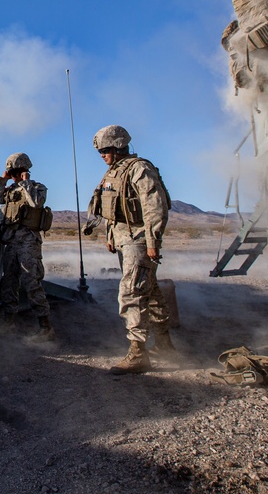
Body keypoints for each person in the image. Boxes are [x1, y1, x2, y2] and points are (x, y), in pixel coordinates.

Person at [88, 125, 172, 374]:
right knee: (151, 293)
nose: (102, 155)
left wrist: (153, 242)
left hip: (139, 239)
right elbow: (114, 208)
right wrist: (111, 235)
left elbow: (155, 207)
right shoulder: (114, 173)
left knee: (131, 293)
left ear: (117, 147)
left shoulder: (139, 169)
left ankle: (138, 353)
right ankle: (165, 345)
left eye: (105, 150)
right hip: (126, 239)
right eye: (100, 151)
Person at [0, 152, 55, 340]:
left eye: (15, 172)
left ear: (24, 171)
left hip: (28, 240)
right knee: (9, 281)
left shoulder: (37, 187)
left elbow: (35, 203)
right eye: (10, 172)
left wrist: (26, 183)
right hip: (11, 240)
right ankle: (8, 321)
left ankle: (45, 327)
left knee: (31, 281)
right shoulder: (11, 190)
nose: (12, 175)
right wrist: (2, 181)